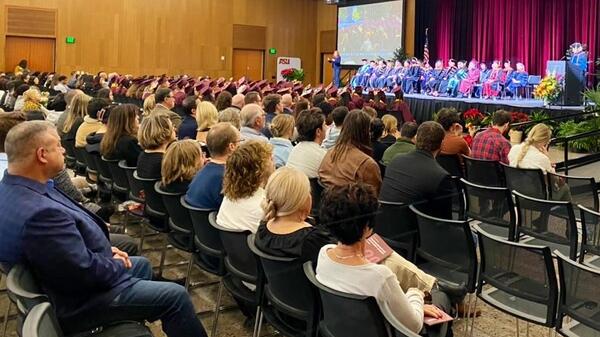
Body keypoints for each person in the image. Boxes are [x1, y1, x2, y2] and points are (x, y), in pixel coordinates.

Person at [0, 121, 207, 337]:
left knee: (142, 265)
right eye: (59, 146)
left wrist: (104, 251)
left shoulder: (15, 189)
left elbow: (63, 255)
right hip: (79, 303)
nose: (63, 150)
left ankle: (132, 319)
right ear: (42, 155)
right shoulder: (39, 214)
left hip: (64, 283)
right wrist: (109, 260)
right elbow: (81, 273)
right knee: (175, 296)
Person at [316, 183, 450, 336]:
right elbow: (413, 326)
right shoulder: (380, 276)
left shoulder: (324, 255)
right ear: (367, 226)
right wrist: (416, 294)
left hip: (345, 328)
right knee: (441, 298)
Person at [379, 121, 454, 219]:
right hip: (417, 231)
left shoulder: (396, 160)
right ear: (442, 143)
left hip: (382, 225)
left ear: (416, 138)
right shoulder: (440, 176)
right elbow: (444, 221)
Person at [217, 140, 274, 233]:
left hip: (226, 246)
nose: (273, 162)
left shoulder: (228, 197)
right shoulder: (264, 206)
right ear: (259, 171)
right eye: (271, 159)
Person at [319, 110, 382, 193]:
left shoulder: (329, 153)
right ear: (367, 132)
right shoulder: (367, 164)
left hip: (326, 204)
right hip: (354, 205)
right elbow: (374, 195)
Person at [185, 122, 241, 210]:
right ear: (232, 146)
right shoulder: (229, 178)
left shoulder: (200, 172)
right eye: (240, 141)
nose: (241, 145)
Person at [508, 123, 571, 200]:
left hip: (517, 194)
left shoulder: (514, 149)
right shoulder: (542, 158)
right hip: (538, 198)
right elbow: (555, 181)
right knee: (565, 188)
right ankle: (568, 211)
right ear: (545, 142)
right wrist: (548, 158)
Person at [286, 109, 327, 178]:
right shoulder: (323, 155)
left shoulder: (295, 149)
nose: (327, 128)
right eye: (325, 125)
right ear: (318, 132)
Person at [136, 113, 176, 179]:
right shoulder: (166, 162)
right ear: (164, 133)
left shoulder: (142, 156)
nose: (174, 129)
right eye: (172, 126)